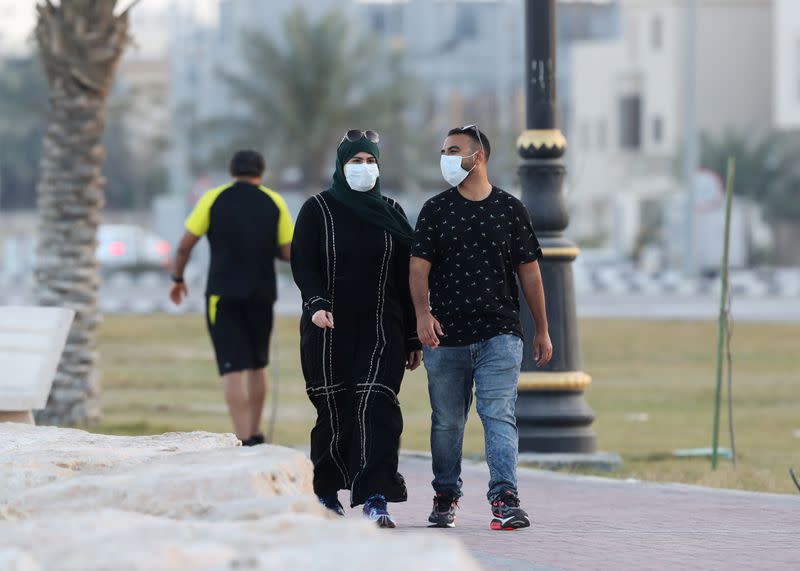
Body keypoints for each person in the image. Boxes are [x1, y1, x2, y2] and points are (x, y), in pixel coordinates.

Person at [410, 126, 554, 531]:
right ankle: (445, 495)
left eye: (454, 150)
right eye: (443, 150)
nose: (446, 157)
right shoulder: (435, 210)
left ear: (479, 157)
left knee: (498, 415)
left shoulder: (510, 210)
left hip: (500, 333)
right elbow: (418, 268)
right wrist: (422, 315)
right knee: (447, 422)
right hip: (446, 336)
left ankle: (505, 499)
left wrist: (541, 329)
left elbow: (530, 273)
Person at [291, 130, 422, 528]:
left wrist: (415, 335)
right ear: (340, 165)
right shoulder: (318, 209)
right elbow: (303, 263)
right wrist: (316, 304)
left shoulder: (392, 211)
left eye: (370, 161)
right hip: (328, 329)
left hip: (384, 328)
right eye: (355, 161)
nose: (363, 169)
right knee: (334, 411)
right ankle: (325, 493)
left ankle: (375, 497)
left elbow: (407, 276)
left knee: (378, 407)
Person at [169, 150, 293, 447]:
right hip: (262, 294)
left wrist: (177, 279)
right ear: (260, 173)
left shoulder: (213, 199)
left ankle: (242, 438)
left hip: (222, 295)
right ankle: (256, 433)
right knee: (257, 364)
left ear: (232, 171)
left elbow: (185, 245)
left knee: (232, 369)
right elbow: (288, 252)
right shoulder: (274, 201)